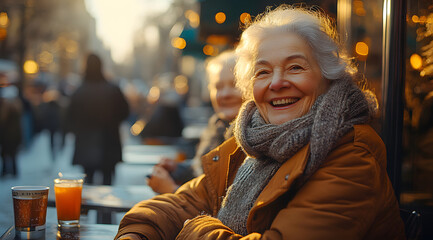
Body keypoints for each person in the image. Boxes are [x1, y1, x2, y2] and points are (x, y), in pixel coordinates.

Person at [115, 5, 405, 239]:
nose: (277, 83)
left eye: (295, 67)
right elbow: (184, 202)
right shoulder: (253, 141)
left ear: (327, 77)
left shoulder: (352, 157)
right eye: (263, 72)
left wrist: (195, 227)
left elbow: (192, 216)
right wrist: (137, 233)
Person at [147, 50, 243, 194]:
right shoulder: (217, 127)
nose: (225, 94)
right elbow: (204, 176)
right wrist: (178, 168)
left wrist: (173, 190)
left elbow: (225, 204)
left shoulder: (250, 139)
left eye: (234, 84)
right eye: (218, 87)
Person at [67, 53, 129, 185]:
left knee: (88, 182)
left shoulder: (79, 92)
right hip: (109, 143)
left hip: (86, 143)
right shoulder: (113, 89)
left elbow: (70, 117)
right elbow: (125, 112)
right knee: (108, 183)